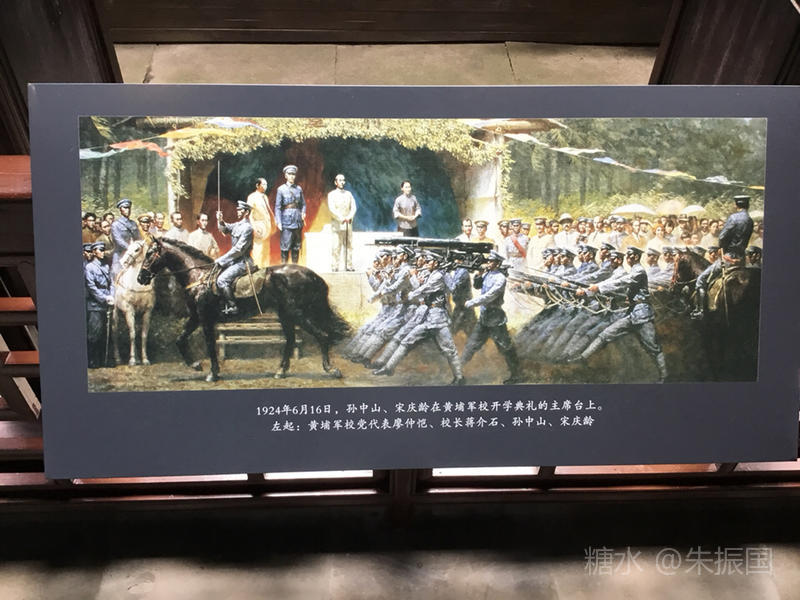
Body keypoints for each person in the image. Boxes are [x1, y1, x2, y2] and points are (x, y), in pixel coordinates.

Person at [575, 246, 667, 382]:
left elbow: (622, 282)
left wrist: (598, 287)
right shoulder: (633, 271)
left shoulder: (639, 271)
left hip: (643, 315)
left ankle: (665, 376)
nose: (627, 258)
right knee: (606, 334)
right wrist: (590, 290)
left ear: (636, 257)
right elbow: (616, 285)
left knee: (653, 347)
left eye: (629, 256)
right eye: (627, 256)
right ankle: (582, 358)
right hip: (632, 313)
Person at [373, 251, 465, 385]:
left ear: (436, 263)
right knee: (406, 341)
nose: (426, 264)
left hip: (438, 319)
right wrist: (413, 277)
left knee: (449, 349)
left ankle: (459, 377)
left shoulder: (439, 275)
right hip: (427, 317)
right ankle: (388, 368)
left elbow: (424, 288)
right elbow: (419, 286)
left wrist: (411, 289)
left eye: (428, 261)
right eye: (425, 261)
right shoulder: (431, 273)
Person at [460, 251, 523, 384]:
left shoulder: (500, 278)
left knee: (505, 346)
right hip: (485, 317)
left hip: (495, 317)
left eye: (491, 261)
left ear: (498, 263)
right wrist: (479, 274)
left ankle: (517, 374)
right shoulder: (487, 274)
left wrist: (472, 303)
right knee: (471, 345)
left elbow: (489, 296)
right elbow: (477, 286)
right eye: (488, 261)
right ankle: (457, 373)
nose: (488, 263)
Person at [215, 200, 255, 315]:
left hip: (243, 262)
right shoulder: (238, 225)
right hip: (234, 261)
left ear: (246, 212)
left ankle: (233, 307)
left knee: (222, 280)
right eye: (237, 209)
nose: (237, 211)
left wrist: (221, 260)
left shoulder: (247, 228)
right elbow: (225, 229)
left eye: (240, 210)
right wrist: (220, 220)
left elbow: (239, 250)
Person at [85, 241, 115, 368]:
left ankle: (104, 360)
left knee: (106, 333)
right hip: (95, 305)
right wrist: (104, 298)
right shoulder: (89, 267)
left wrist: (111, 296)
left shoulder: (106, 267)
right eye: (100, 250)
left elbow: (111, 284)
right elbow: (91, 287)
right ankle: (92, 360)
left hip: (107, 304)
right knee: (94, 334)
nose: (103, 252)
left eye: (103, 250)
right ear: (94, 252)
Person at [275, 165, 306, 263]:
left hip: (297, 221)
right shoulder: (281, 189)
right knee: (285, 247)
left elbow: (303, 204)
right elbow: (278, 207)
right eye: (289, 174)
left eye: (293, 174)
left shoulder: (298, 189)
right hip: (286, 222)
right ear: (285, 176)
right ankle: (284, 267)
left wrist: (303, 212)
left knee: (296, 247)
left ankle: (295, 268)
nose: (292, 176)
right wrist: (279, 222)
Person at [327, 173, 357, 271]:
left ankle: (349, 265)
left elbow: (353, 207)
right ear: (335, 182)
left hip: (348, 224)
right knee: (336, 246)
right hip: (337, 224)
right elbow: (331, 209)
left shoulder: (349, 194)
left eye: (343, 180)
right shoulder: (331, 195)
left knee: (349, 246)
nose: (342, 182)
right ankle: (335, 266)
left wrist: (349, 217)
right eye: (340, 180)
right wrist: (341, 218)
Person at [110, 198, 142, 279]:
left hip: (133, 254)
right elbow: (118, 240)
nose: (128, 210)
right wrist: (130, 248)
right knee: (116, 273)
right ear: (120, 210)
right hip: (120, 254)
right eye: (125, 208)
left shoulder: (133, 224)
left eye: (129, 208)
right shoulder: (115, 225)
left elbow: (138, 238)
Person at [247, 177, 274, 268]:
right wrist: (254, 227)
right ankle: (256, 270)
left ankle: (266, 270)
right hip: (258, 227)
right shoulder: (252, 197)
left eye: (266, 184)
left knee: (266, 251)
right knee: (258, 251)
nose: (265, 186)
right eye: (263, 184)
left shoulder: (265, 197)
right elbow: (249, 214)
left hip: (267, 228)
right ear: (257, 185)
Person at [718, 195, 754, 260]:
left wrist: (722, 248)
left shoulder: (733, 217)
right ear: (748, 206)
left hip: (730, 255)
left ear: (736, 205)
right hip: (742, 256)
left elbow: (722, 237)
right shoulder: (750, 220)